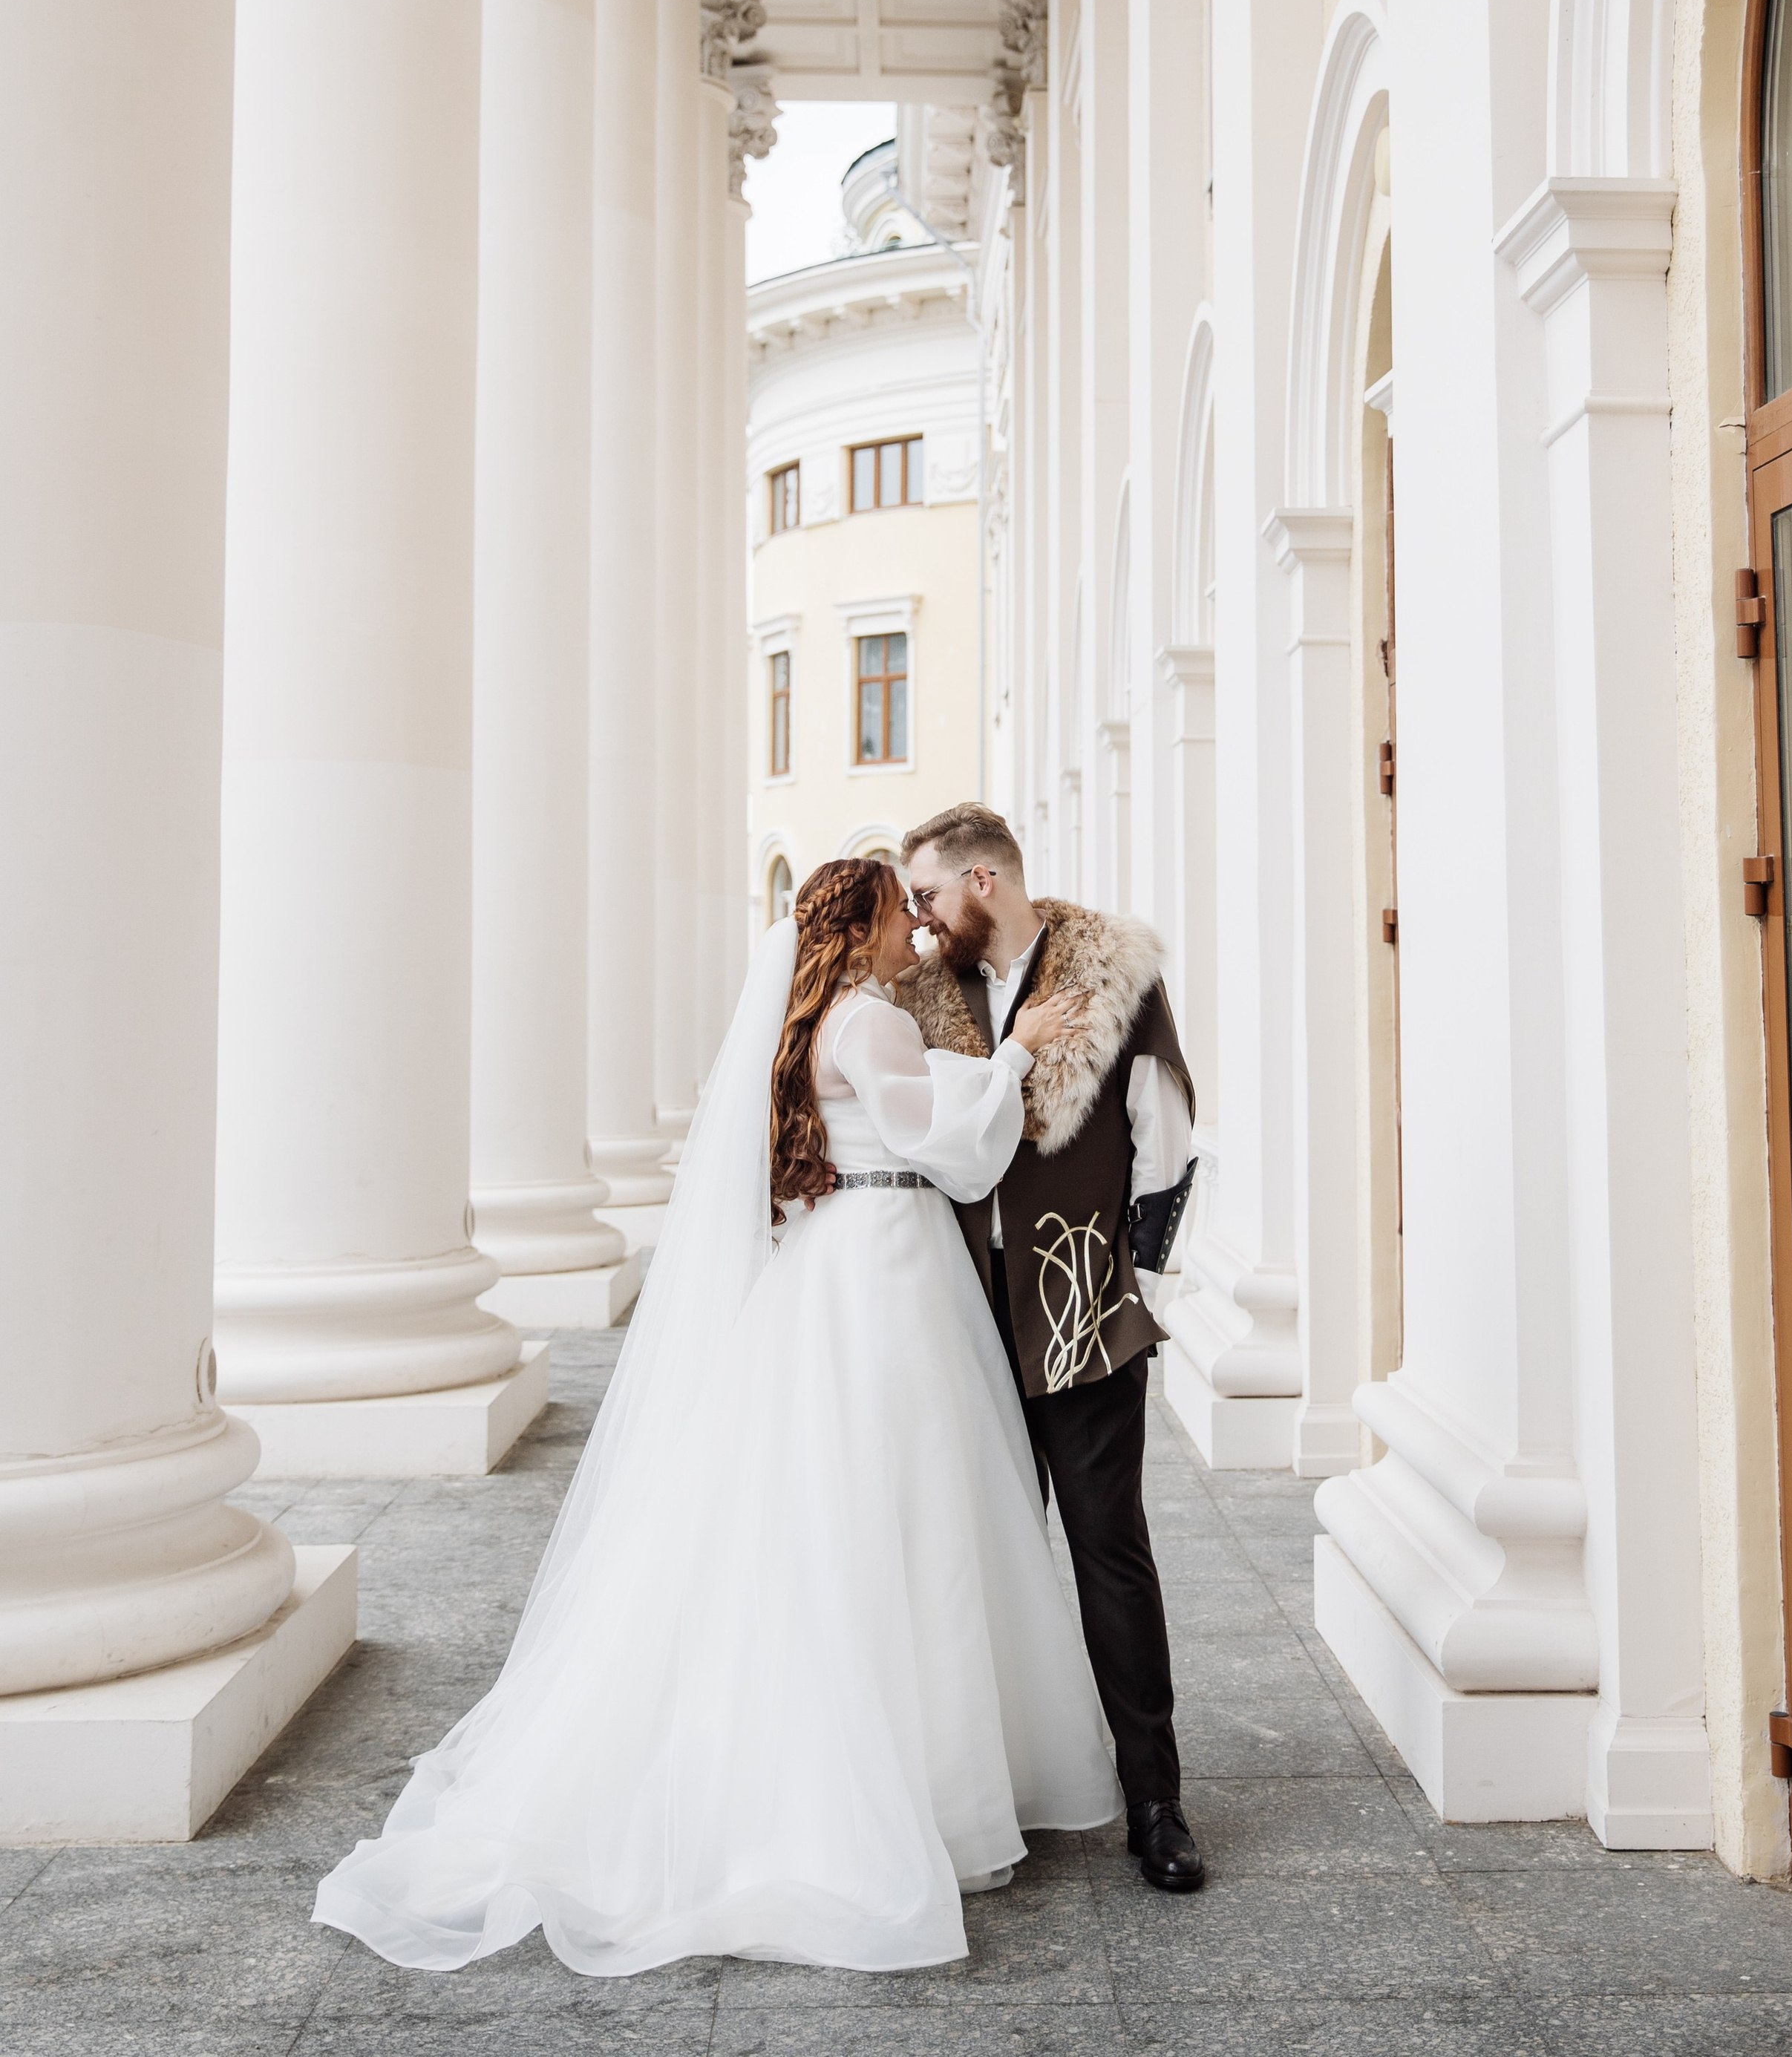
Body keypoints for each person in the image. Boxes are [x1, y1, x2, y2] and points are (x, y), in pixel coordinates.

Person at [312, 857, 1120, 1975]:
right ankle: (922, 1784)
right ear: (864, 928)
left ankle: (890, 1766)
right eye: (901, 911)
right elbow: (948, 1154)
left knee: (839, 1503)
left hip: (836, 1259)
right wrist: (1019, 1054)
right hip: (887, 1266)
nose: (916, 928)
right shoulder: (874, 1021)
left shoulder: (813, 1024)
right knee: (912, 1502)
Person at [896, 802, 1204, 1895]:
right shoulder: (918, 997)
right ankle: (997, 1790)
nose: (919, 918)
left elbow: (1165, 1140)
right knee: (976, 1552)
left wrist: (1129, 1288)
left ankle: (1156, 1800)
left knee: (1108, 1550)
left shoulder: (1115, 976)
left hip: (1080, 1306)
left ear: (983, 879)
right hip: (957, 1313)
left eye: (929, 894)